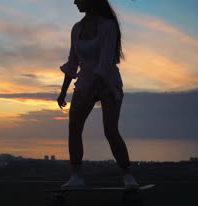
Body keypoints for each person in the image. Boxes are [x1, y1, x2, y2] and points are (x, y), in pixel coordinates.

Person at [57, 0, 139, 190]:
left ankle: (128, 176)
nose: (75, 1)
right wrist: (63, 92)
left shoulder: (108, 26)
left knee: (110, 131)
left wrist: (92, 87)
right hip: (85, 81)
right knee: (74, 127)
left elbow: (106, 59)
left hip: (107, 82)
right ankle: (76, 177)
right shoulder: (77, 28)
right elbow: (72, 61)